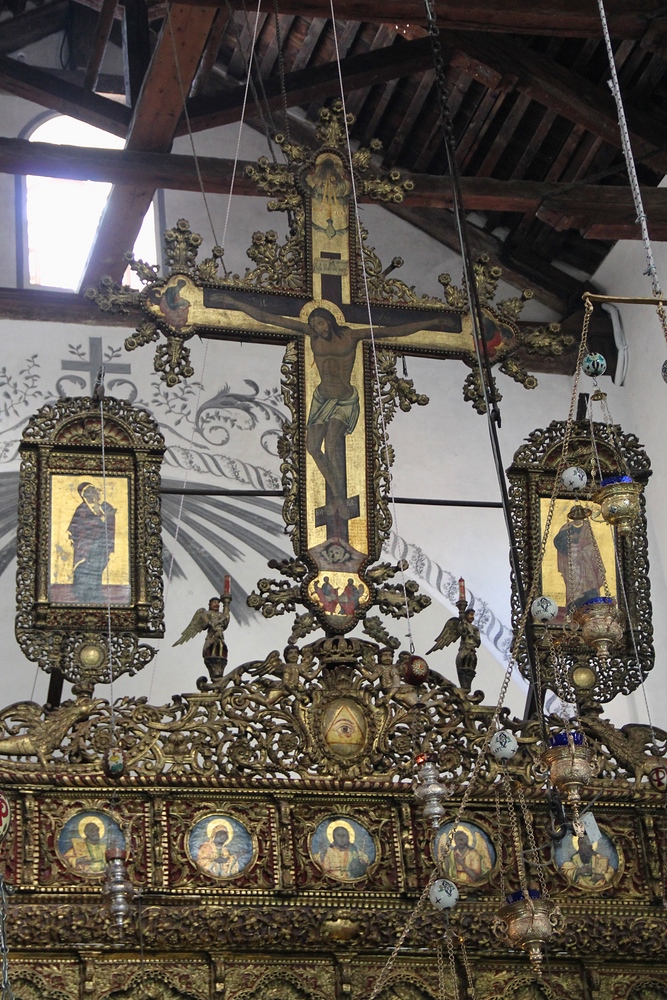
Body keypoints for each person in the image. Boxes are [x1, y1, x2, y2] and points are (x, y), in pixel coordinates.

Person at [210, 292, 443, 505]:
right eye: (313, 325)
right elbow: (269, 318)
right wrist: (234, 302)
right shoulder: (312, 335)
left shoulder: (351, 336)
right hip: (322, 398)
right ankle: (338, 494)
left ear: (330, 321)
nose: (317, 328)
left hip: (344, 399)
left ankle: (340, 500)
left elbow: (394, 331)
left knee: (332, 444)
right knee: (312, 448)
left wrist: (432, 322)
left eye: (320, 323)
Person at [67, 482, 116, 604]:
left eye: (93, 490)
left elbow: (110, 525)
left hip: (101, 545)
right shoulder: (82, 509)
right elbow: (79, 527)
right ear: (83, 496)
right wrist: (102, 518)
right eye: (88, 492)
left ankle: (95, 595)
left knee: (97, 571)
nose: (92, 494)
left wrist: (107, 517)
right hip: (85, 547)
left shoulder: (105, 506)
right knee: (84, 570)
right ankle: (81, 595)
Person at [553, 505, 606, 607]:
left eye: (580, 516)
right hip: (571, 558)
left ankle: (588, 598)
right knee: (574, 579)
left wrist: (584, 552)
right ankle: (574, 601)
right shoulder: (566, 528)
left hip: (585, 559)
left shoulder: (587, 527)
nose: (578, 519)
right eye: (576, 517)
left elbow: (592, 544)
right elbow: (558, 541)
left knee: (589, 579)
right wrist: (568, 545)